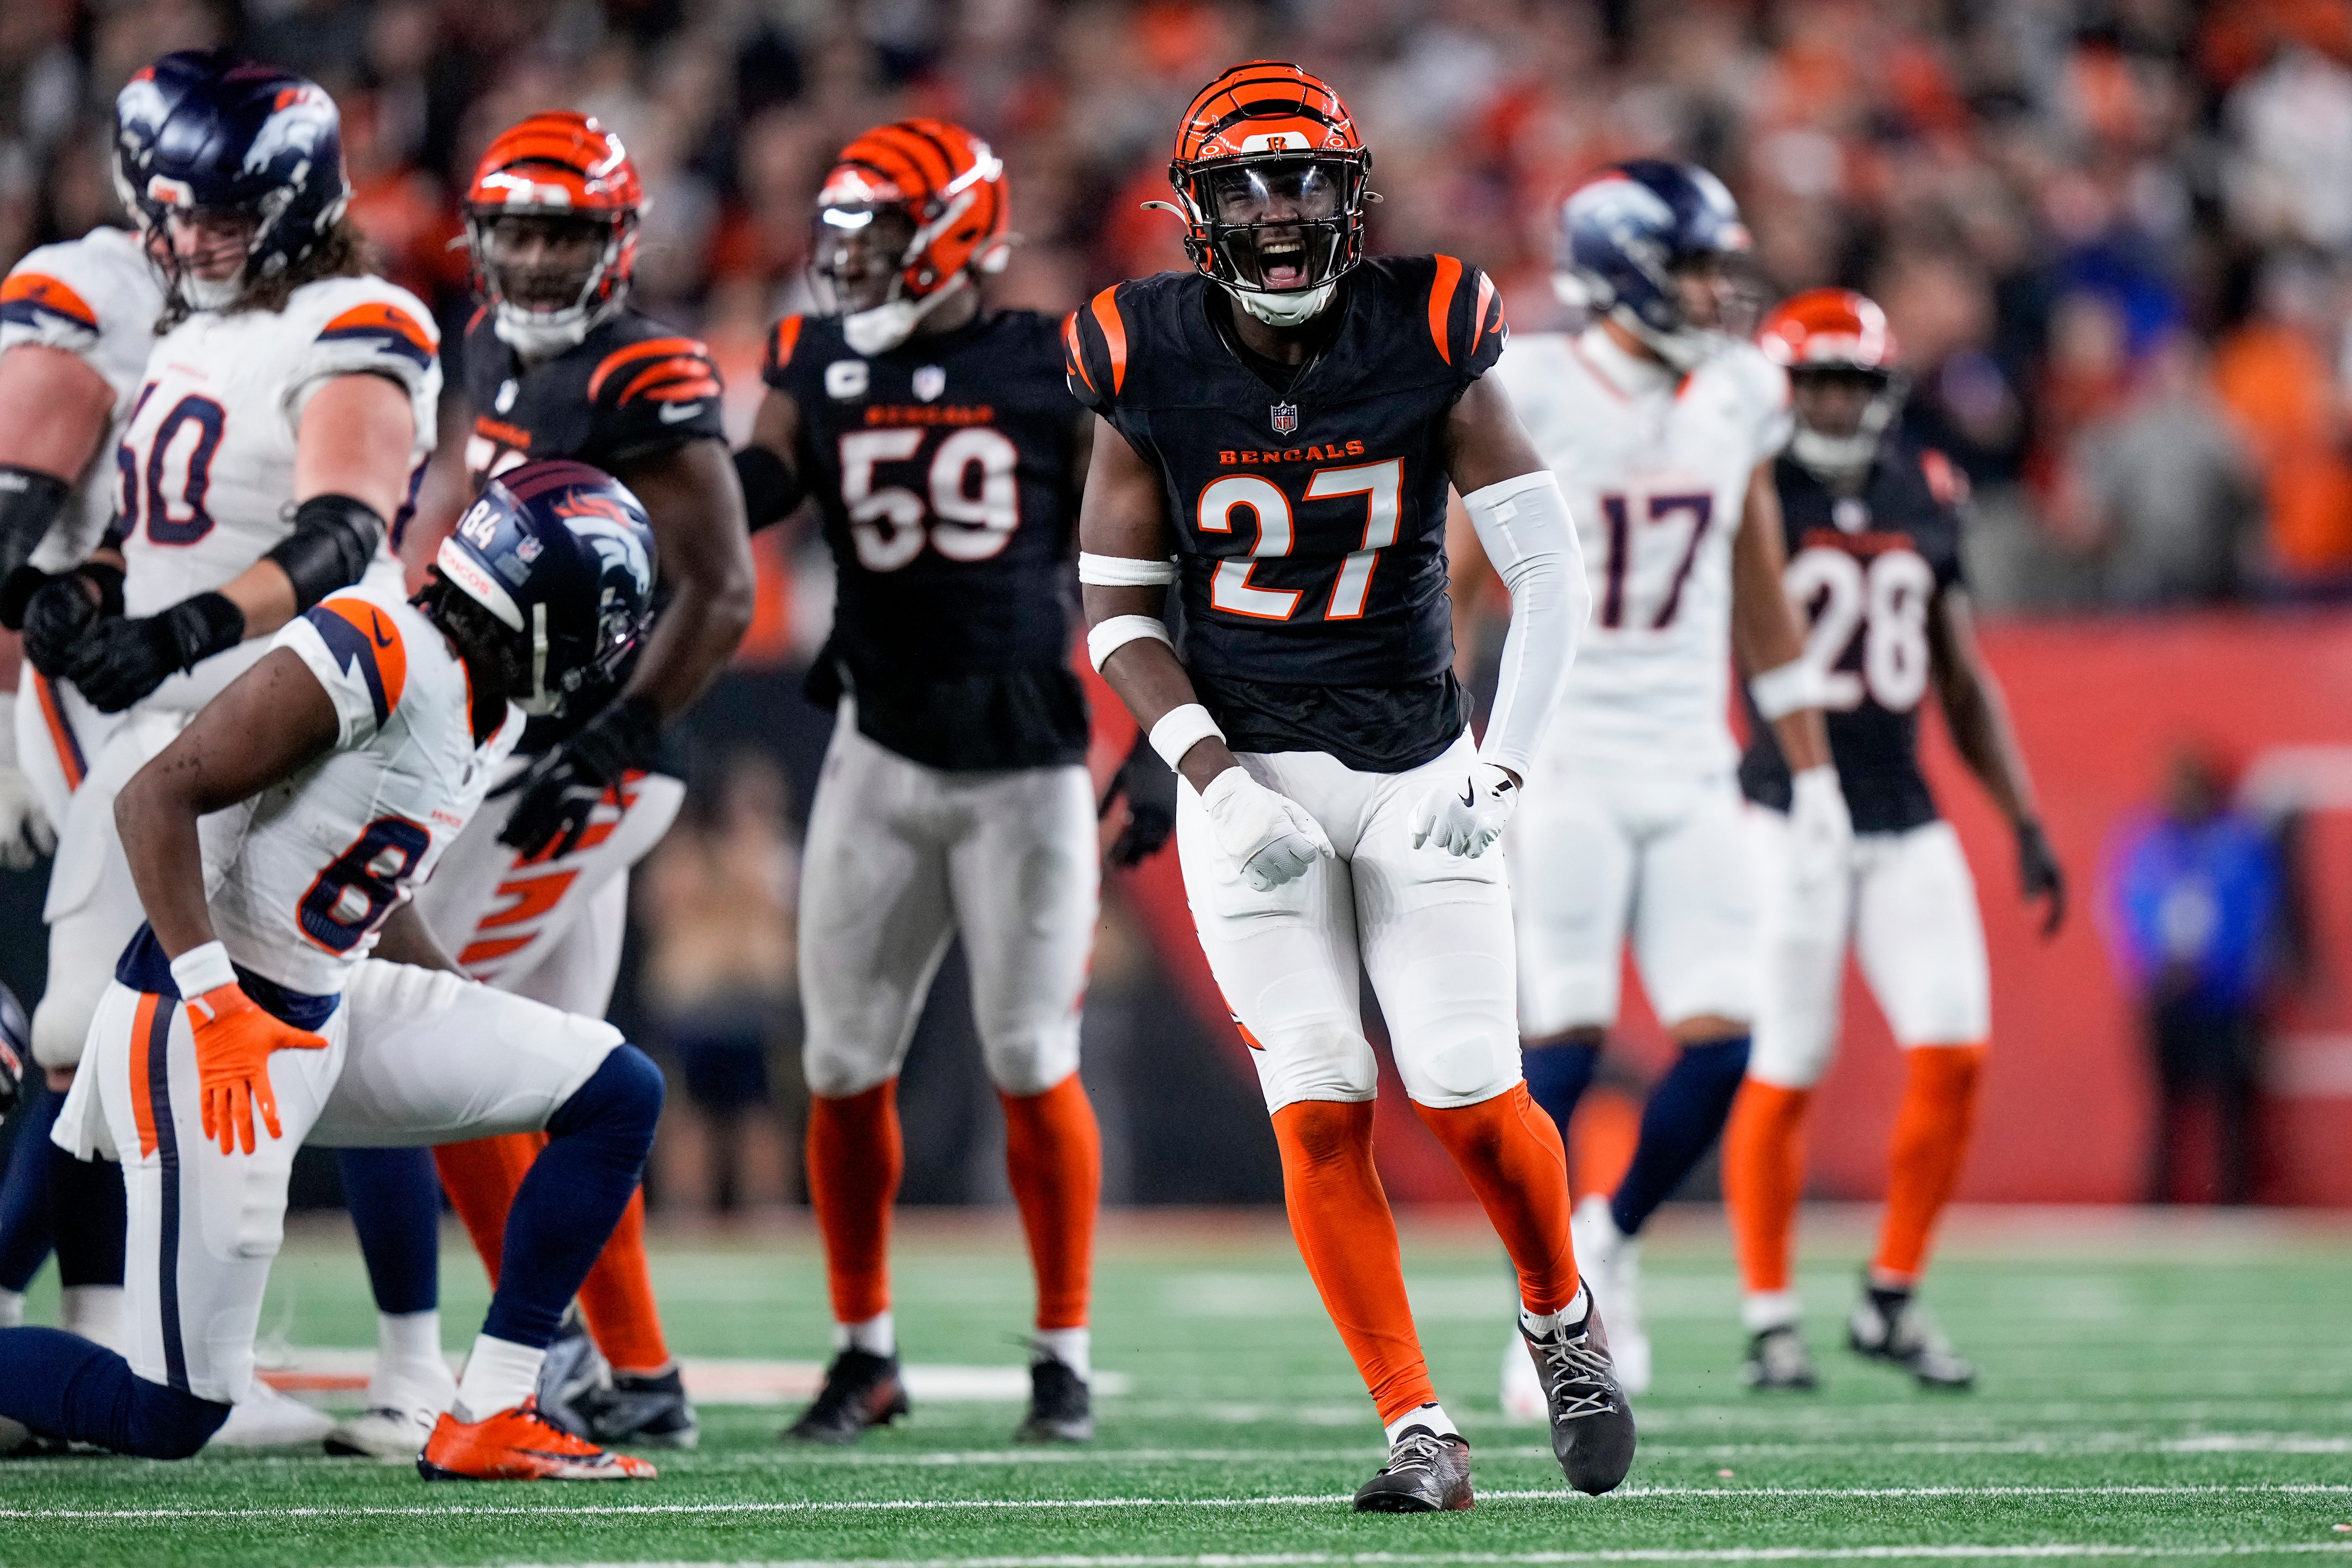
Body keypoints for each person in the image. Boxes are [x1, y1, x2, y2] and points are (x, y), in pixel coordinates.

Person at [1070, 61, 1629, 1512]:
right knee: (1317, 1094)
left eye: (1304, 179)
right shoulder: (1139, 352)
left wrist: (1503, 759)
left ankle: (1561, 1316)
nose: (1276, 213)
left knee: (1462, 1079)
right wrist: (1210, 775)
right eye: (1245, 186)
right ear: (1194, 211)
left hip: (1413, 761)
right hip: (1243, 770)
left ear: (1351, 190)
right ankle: (1416, 1426)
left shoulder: (1430, 325)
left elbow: (1553, 568)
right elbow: (1121, 606)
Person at [0, 460, 665, 1481]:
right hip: (204, 1023)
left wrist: (460, 994)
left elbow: (366, 885)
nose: (599, 657)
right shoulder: (383, 640)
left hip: (325, 1002)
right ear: (544, 616)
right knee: (170, 1409)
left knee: (616, 1087)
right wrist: (216, 1002)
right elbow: (155, 799)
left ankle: (488, 1410)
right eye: (597, 626)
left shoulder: (492, 701)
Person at [16, 53, 443, 1448]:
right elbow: (177, 518)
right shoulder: (195, 332)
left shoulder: (359, 314)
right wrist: (101, 594)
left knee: (295, 1026)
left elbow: (338, 535)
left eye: (222, 214)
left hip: (300, 712)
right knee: (122, 1041)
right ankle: (151, 1348)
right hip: (184, 721)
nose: (192, 238)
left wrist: (186, 619)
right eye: (175, 212)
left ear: (298, 202)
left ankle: (397, 1361)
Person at [735, 117, 1113, 1447]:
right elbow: (753, 486)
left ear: (954, 235)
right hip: (878, 744)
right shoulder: (815, 354)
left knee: (1028, 1053)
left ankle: (1062, 1354)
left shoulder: (1047, 363)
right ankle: (863, 1351)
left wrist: (1176, 738)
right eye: (842, 234)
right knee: (841, 1062)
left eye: (881, 234)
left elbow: (1132, 548)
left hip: (1025, 756)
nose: (852, 262)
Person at [400, 109, 755, 1456]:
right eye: (520, 232)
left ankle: (535, 1350)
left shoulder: (645, 369)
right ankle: (641, 1368)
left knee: (448, 1040)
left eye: (566, 232)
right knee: (554, 1072)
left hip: (584, 761)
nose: (541, 259)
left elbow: (721, 590)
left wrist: (613, 736)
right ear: (482, 240)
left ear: (616, 243)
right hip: (519, 744)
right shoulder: (491, 343)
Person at [1483, 162, 1848, 1408]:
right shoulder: (1526, 382)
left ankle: (1609, 1244)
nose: (1716, 289)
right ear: (1626, 270)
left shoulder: (1739, 391)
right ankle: (1542, 1308)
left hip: (1692, 757)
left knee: (1727, 1033)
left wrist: (1814, 776)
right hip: (1568, 751)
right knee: (1564, 1039)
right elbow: (1466, 576)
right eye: (1695, 265)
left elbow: (1759, 583)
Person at [1718, 288, 2066, 1391]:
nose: (1831, 400)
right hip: (1785, 810)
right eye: (1814, 379)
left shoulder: (1925, 485)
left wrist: (2022, 817)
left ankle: (1891, 1298)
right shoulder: (1748, 484)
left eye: (1851, 381)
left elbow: (1959, 675)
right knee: (1787, 1060)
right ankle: (1770, 1313)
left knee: (1956, 1047)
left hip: (1905, 811)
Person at [0, 53, 177, 1356]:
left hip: (197, 677)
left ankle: (94, 1337)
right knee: (79, 1029)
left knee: (116, 1030)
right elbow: (10, 520)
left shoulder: (310, 318)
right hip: (82, 681)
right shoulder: (92, 290)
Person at [2103, 747, 2274, 1207]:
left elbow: (2252, 913)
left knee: (2233, 1107)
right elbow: (2128, 913)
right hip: (2166, 997)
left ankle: (2235, 1205)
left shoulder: (2238, 843)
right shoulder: (2148, 843)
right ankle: (2157, 1205)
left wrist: (2215, 969)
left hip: (2225, 999)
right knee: (2164, 1108)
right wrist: (2155, 972)